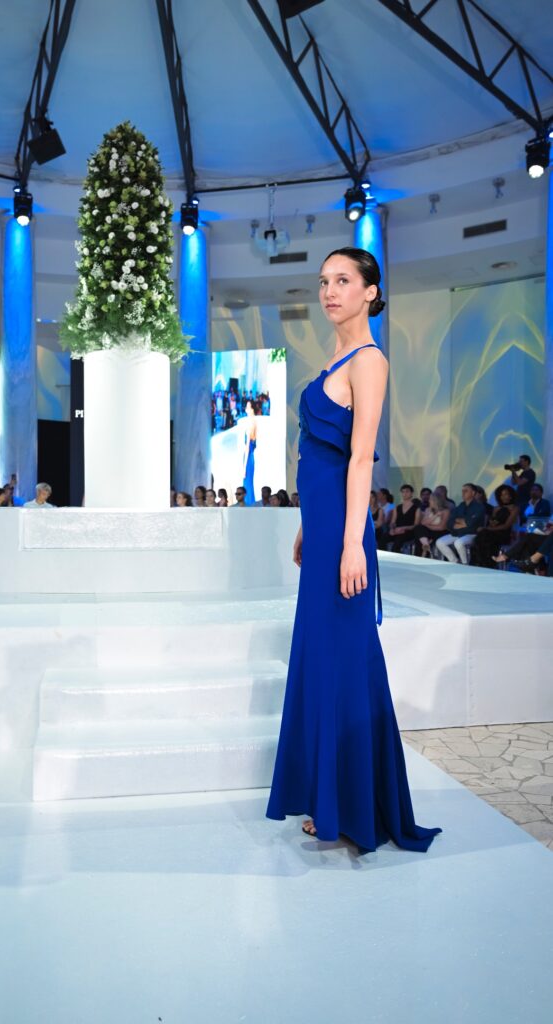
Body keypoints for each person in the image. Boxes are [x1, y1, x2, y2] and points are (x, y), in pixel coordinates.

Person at [266, 245, 441, 853]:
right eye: (323, 282)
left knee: (342, 658)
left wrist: (350, 543)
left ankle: (349, 807)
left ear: (371, 291)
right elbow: (323, 457)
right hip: (323, 531)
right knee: (324, 659)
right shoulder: (335, 357)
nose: (329, 292)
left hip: (344, 538)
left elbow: (362, 458)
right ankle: (331, 798)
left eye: (343, 280)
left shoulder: (369, 360)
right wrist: (309, 526)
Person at [435, 483, 485, 564]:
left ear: (473, 493)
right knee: (440, 542)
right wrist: (461, 523)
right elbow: (450, 522)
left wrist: (460, 522)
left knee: (458, 543)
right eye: (462, 491)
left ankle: (465, 564)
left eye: (466, 491)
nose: (463, 493)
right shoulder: (461, 506)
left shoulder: (479, 507)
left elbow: (471, 523)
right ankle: (455, 562)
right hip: (458, 533)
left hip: (471, 534)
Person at [472, 484, 519, 568]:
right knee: (481, 536)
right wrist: (491, 524)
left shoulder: (514, 508)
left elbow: (506, 526)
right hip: (492, 531)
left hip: (505, 534)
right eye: (501, 495)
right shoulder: (496, 508)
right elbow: (492, 522)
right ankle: (480, 562)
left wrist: (487, 528)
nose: (503, 497)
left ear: (511, 496)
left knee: (485, 535)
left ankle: (488, 563)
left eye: (506, 494)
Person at [412, 491, 451, 557]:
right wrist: (435, 516)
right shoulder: (428, 509)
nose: (429, 501)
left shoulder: (445, 511)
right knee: (418, 528)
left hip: (441, 532)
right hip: (429, 531)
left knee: (420, 537)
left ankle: (424, 550)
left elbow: (441, 527)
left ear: (436, 501)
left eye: (430, 499)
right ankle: (426, 544)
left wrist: (428, 525)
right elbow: (423, 523)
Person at [386, 483, 421, 553]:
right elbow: (393, 522)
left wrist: (403, 528)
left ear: (411, 493)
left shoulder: (416, 508)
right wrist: (392, 529)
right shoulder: (397, 507)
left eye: (407, 491)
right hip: (396, 530)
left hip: (408, 532)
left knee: (397, 542)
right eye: (403, 492)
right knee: (383, 538)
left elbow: (416, 525)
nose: (405, 494)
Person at [242, 401, 257, 505]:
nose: (246, 409)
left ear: (252, 409)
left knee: (247, 483)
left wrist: (243, 467)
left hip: (247, 458)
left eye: (248, 407)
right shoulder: (254, 423)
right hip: (251, 457)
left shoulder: (250, 424)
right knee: (250, 483)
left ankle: (248, 503)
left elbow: (247, 447)